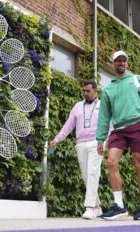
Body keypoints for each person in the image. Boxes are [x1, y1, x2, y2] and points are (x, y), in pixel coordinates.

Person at [96, 50, 140, 220]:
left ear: (127, 63)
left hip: (137, 125)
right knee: (111, 162)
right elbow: (104, 117)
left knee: (139, 164)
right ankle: (119, 206)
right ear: (113, 63)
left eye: (124, 60)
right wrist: (100, 139)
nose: (122, 63)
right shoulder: (108, 89)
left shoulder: (137, 80)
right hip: (118, 130)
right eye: (118, 61)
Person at [49, 81, 103, 220]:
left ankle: (89, 208)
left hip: (96, 143)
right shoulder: (77, 107)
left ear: (96, 91)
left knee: (92, 173)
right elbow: (68, 125)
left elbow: (109, 124)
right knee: (86, 176)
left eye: (88, 91)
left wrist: (105, 141)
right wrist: (57, 139)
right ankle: (97, 207)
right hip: (80, 144)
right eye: (83, 91)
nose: (85, 93)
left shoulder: (102, 105)